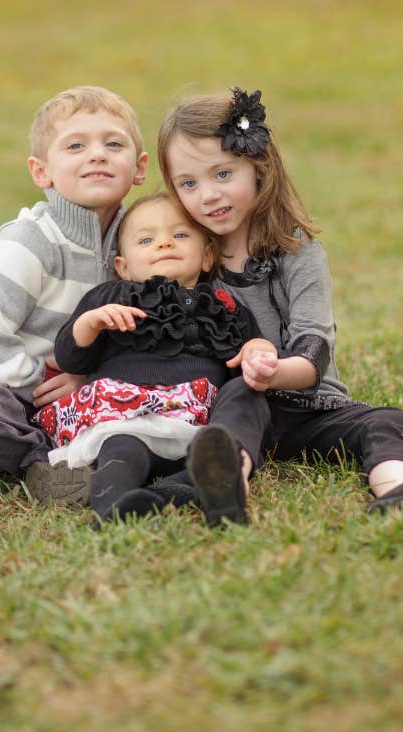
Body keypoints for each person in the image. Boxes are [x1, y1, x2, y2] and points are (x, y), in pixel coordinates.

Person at [157, 87, 403, 515]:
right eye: (188, 183)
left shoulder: (298, 253)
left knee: (389, 421)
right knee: (239, 396)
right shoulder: (187, 258)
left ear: (258, 165)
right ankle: (226, 487)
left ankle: (398, 493)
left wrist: (272, 371)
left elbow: (314, 351)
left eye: (223, 174)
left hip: (313, 408)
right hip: (239, 411)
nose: (208, 196)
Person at [0, 85, 148, 501]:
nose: (97, 154)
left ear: (138, 168)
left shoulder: (137, 241)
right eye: (75, 145)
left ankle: (89, 448)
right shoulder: (26, 242)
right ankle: (43, 463)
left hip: (77, 393)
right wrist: (49, 385)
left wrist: (89, 383)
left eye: (113, 144)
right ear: (41, 171)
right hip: (0, 394)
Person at [35, 192, 279, 524]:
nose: (164, 243)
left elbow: (247, 360)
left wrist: (256, 350)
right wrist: (89, 323)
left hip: (201, 424)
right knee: (120, 456)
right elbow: (70, 357)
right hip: (126, 417)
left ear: (208, 256)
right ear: (122, 266)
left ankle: (202, 485)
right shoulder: (111, 298)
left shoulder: (224, 305)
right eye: (146, 239)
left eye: (179, 235)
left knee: (245, 400)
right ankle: (115, 508)